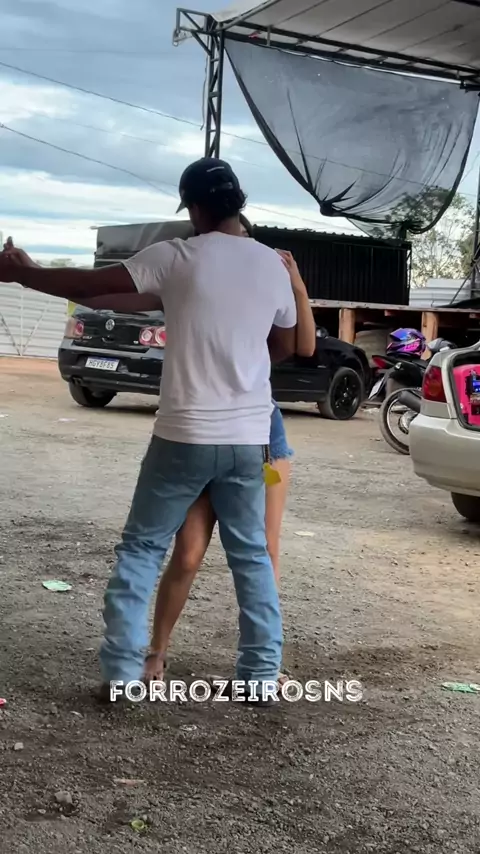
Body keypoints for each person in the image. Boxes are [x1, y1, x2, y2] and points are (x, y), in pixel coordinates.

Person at [0, 157, 309, 700]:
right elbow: (286, 346)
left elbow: (93, 286)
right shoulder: (271, 265)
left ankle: (124, 675)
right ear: (237, 204)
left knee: (143, 550)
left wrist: (25, 272)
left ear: (194, 208)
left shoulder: (176, 257)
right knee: (253, 557)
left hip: (183, 437)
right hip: (249, 439)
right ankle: (260, 677)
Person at [144, 217, 316, 684]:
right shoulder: (202, 286)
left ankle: (263, 666)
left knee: (264, 550)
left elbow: (304, 346)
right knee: (188, 552)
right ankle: (156, 652)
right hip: (202, 434)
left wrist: (297, 286)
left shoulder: (263, 282)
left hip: (263, 441)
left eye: (243, 236)